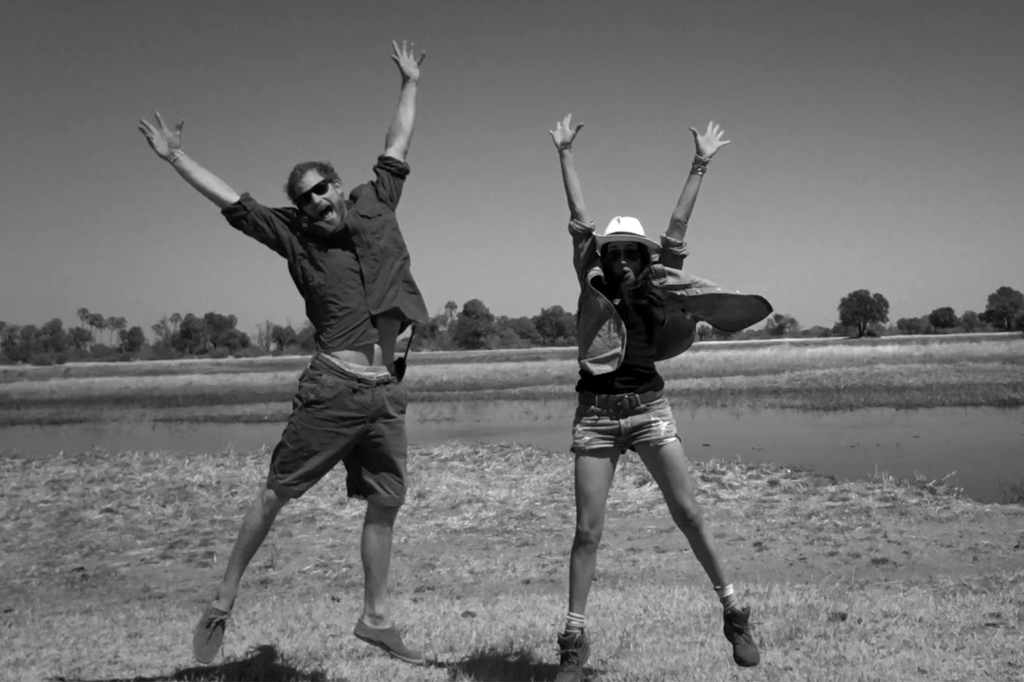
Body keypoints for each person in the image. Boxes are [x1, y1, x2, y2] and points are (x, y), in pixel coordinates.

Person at [138, 41, 430, 666]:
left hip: (387, 394)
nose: (318, 201)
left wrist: (409, 82)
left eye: (322, 188)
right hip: (334, 388)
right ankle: (222, 601)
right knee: (276, 493)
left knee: (386, 502)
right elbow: (232, 200)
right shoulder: (295, 239)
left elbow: (397, 140)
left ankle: (375, 618)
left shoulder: (377, 201)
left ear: (338, 184)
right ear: (297, 210)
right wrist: (177, 157)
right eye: (305, 198)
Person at [547, 113, 772, 681]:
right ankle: (573, 641)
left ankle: (734, 613)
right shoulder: (590, 280)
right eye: (614, 250)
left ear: (645, 258)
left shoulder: (664, 280)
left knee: (690, 514)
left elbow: (677, 223)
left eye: (632, 252)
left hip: (648, 410)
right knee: (587, 532)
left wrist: (701, 162)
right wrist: (565, 153)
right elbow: (579, 222)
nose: (622, 259)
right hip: (595, 416)